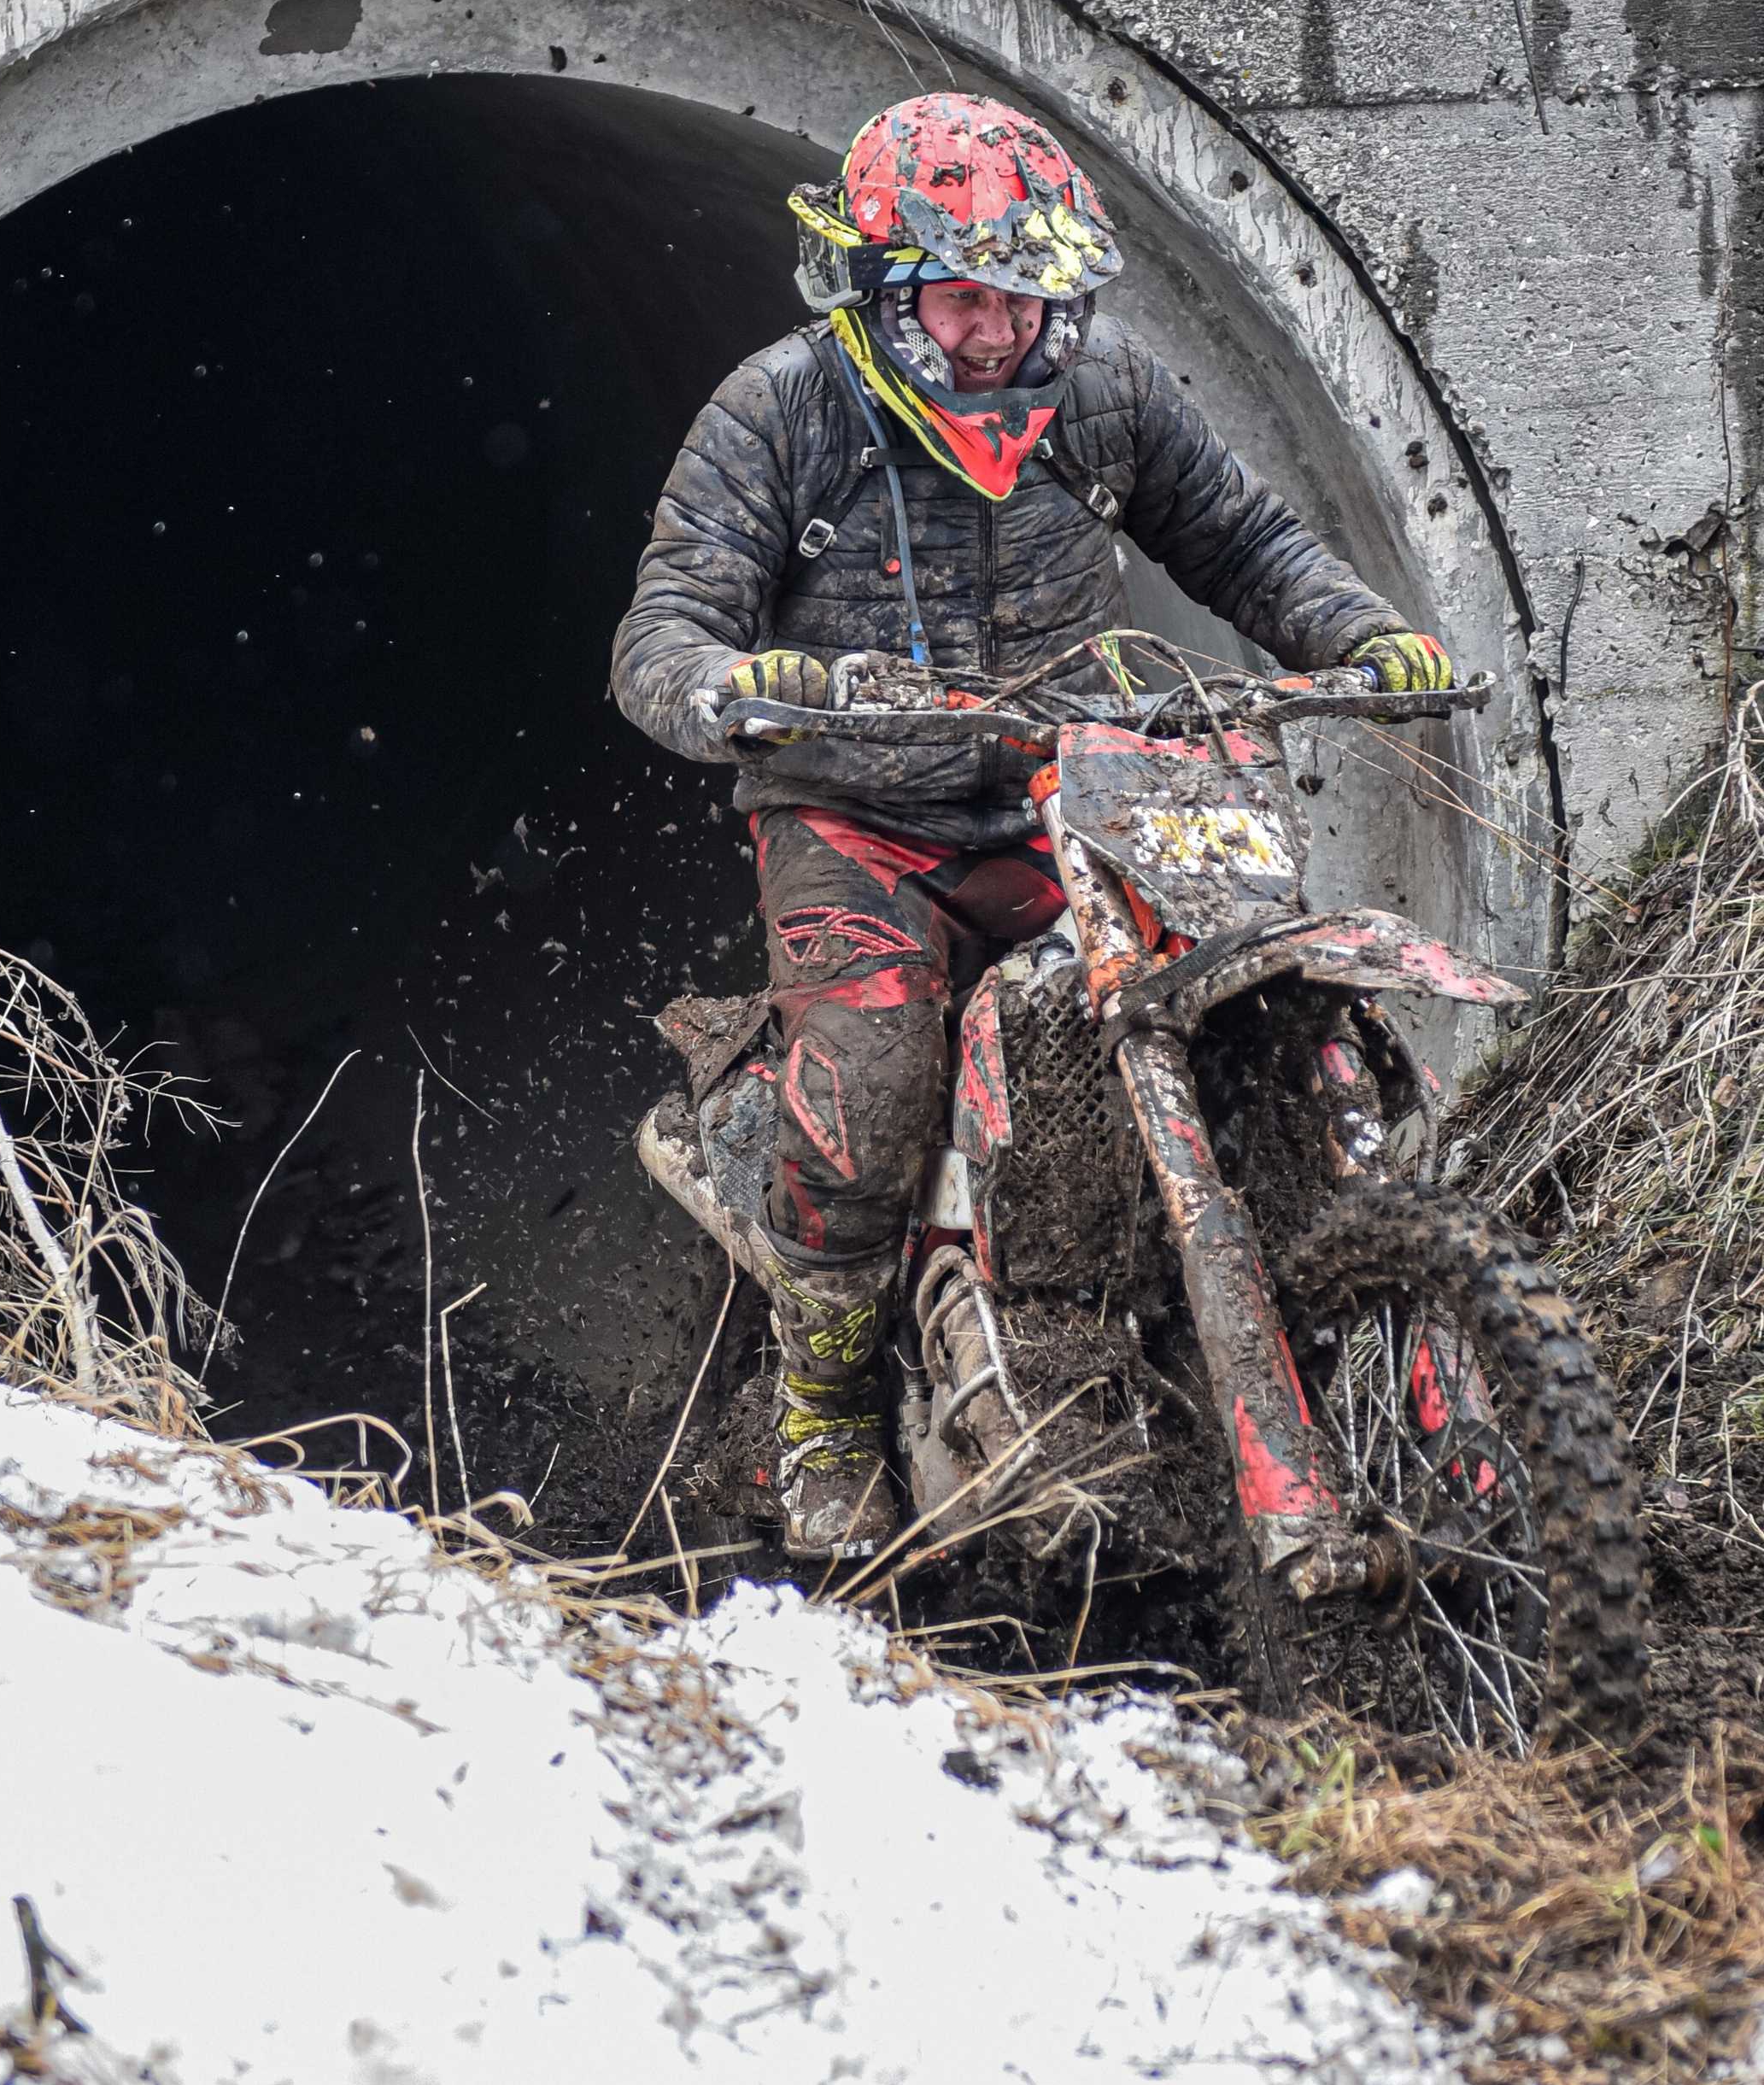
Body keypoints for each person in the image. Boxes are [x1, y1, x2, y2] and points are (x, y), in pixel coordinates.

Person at [610, 92, 1454, 1555]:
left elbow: (1245, 542)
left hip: (1085, 785)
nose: (995, 330)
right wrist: (746, 688)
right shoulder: (780, 409)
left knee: (1245, 996)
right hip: (860, 813)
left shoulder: (1106, 389)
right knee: (872, 1086)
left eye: (1025, 293)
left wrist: (1367, 637)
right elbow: (661, 635)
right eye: (959, 295)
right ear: (879, 283)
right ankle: (821, 1410)